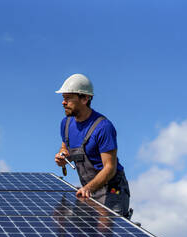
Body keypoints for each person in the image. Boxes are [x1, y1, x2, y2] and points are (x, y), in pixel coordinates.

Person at [54, 73, 130, 217]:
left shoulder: (103, 127)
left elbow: (110, 168)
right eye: (63, 98)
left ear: (85, 98)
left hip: (112, 191)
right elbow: (65, 146)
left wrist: (88, 188)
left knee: (105, 235)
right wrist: (63, 156)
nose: (64, 103)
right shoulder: (66, 124)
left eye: (68, 98)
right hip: (88, 190)